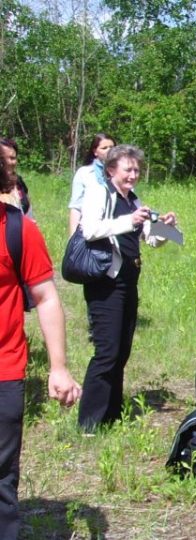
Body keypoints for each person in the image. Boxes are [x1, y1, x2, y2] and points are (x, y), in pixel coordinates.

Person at [77, 145, 177, 432]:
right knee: (106, 351)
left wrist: (166, 228)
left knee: (122, 350)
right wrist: (128, 221)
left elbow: (150, 240)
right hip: (105, 281)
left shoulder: (134, 200)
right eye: (127, 169)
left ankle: (111, 413)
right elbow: (90, 230)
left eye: (136, 170)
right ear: (111, 171)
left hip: (129, 280)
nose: (133, 175)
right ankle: (89, 423)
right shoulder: (100, 193)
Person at [1, 195, 82, 537]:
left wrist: (58, 367)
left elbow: (46, 297)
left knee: (1, 476)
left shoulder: (19, 229)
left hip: (4, 369)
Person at [68, 133, 116, 235]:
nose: (109, 150)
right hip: (91, 232)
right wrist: (72, 239)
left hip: (117, 232)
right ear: (95, 151)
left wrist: (158, 226)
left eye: (112, 147)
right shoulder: (84, 173)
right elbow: (76, 207)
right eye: (104, 148)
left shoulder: (123, 175)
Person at [0, 138, 32, 218]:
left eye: (12, 158)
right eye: (2, 158)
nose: (8, 162)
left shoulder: (19, 182)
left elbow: (29, 213)